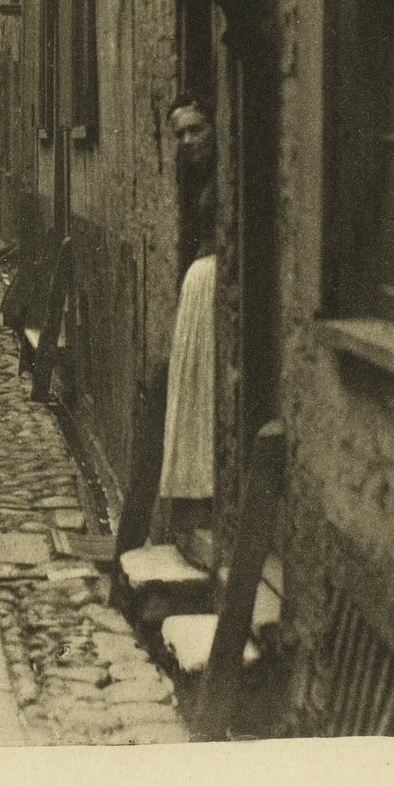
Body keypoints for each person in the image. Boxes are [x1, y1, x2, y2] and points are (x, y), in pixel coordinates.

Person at [159, 95, 217, 557]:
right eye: (179, 133)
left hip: (212, 286)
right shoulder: (194, 179)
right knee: (195, 388)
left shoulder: (223, 177)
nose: (187, 140)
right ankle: (195, 495)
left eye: (196, 129)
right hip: (200, 289)